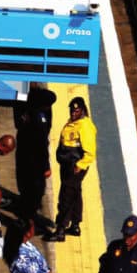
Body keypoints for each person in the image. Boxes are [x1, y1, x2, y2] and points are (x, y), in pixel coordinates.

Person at [47, 97, 96, 242]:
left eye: (77, 111)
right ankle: (75, 225)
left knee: (65, 197)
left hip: (75, 167)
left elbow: (90, 152)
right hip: (67, 165)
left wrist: (79, 166)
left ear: (82, 110)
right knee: (75, 193)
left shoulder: (84, 126)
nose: (73, 113)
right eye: (72, 111)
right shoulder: (72, 123)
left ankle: (60, 229)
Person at [14, 85, 57, 223]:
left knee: (24, 186)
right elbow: (42, 145)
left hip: (23, 156)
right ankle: (28, 217)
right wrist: (46, 166)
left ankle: (25, 209)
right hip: (35, 162)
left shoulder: (25, 111)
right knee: (35, 191)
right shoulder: (39, 119)